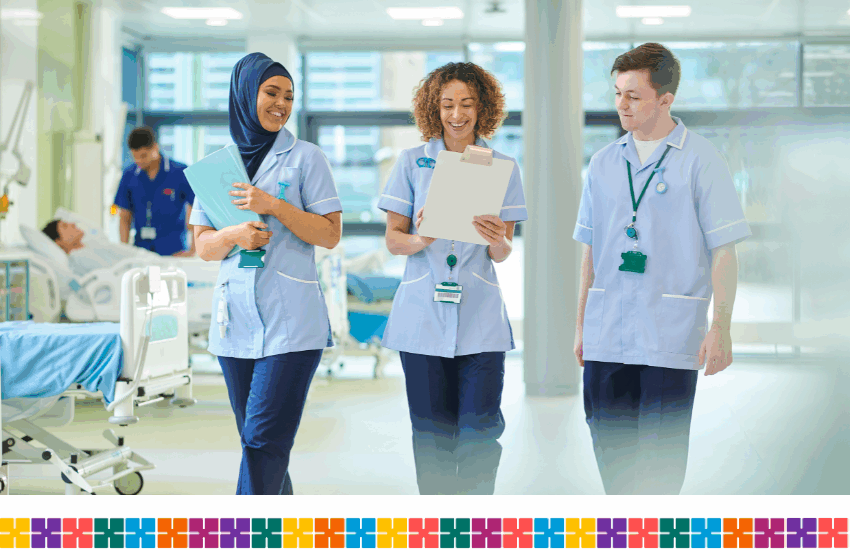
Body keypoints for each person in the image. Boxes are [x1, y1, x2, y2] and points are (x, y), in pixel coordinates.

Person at [572, 43, 751, 495]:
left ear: (665, 100)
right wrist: (581, 327)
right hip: (606, 335)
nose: (621, 105)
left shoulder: (702, 160)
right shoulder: (603, 163)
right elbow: (590, 252)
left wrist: (721, 327)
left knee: (660, 471)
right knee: (613, 465)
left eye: (633, 96)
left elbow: (724, 251)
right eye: (617, 93)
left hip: (668, 337)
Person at [190, 52, 342, 495]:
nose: (282, 104)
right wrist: (235, 234)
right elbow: (203, 246)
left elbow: (330, 234)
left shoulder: (307, 158)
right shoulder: (217, 165)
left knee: (262, 441)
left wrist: (272, 205)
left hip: (291, 322)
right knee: (258, 443)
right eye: (271, 93)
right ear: (244, 95)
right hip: (235, 321)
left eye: (289, 96)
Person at [377, 62, 527, 495]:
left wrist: (498, 238)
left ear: (483, 108)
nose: (457, 114)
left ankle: (476, 527)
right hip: (422, 318)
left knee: (481, 435)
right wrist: (422, 236)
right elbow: (393, 241)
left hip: (480, 319)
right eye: (447, 104)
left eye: (466, 104)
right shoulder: (411, 162)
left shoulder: (501, 166)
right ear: (434, 108)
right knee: (432, 438)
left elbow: (501, 253)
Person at [114, 126, 196, 257]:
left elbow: (196, 211)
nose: (139, 161)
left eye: (143, 156)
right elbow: (124, 216)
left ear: (155, 148)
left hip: (174, 250)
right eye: (135, 157)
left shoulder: (180, 172)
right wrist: (124, 251)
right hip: (141, 250)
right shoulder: (129, 175)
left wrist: (193, 250)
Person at [41, 219, 146, 276]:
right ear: (59, 242)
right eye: (65, 226)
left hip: (144, 260)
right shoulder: (79, 257)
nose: (72, 223)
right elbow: (115, 274)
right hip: (142, 269)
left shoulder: (89, 244)